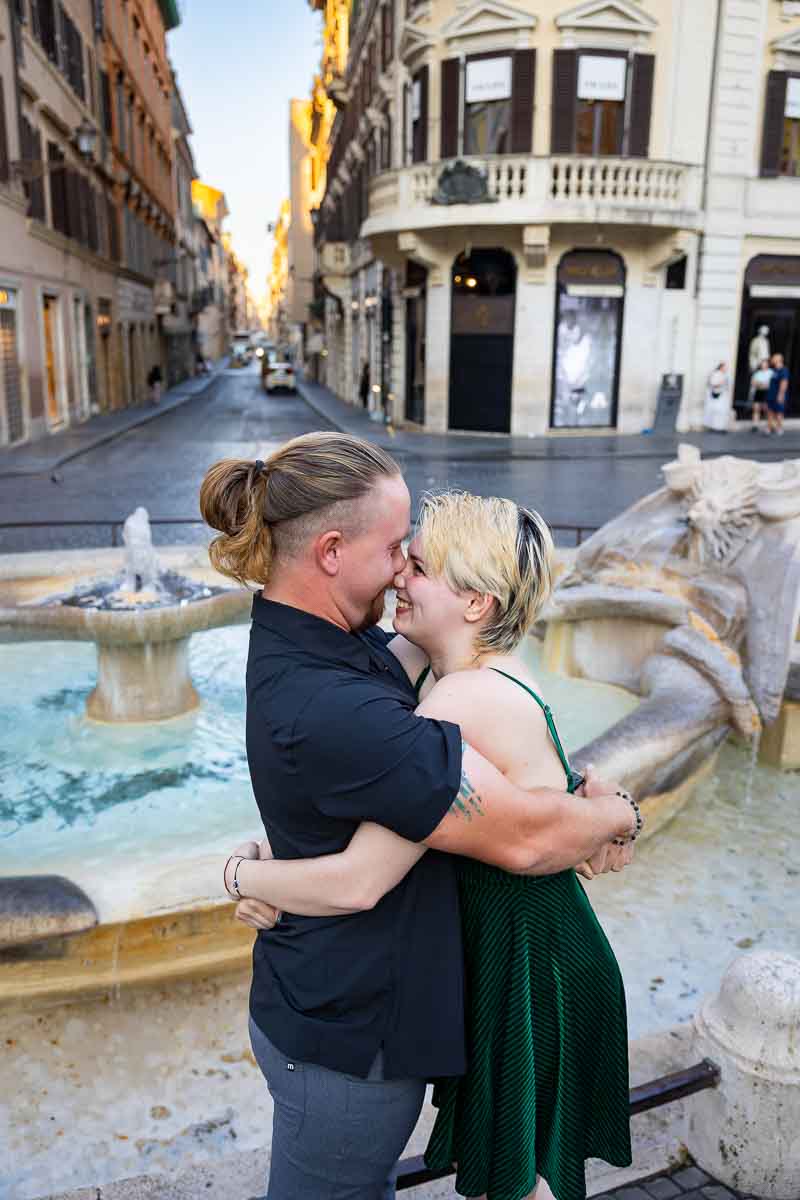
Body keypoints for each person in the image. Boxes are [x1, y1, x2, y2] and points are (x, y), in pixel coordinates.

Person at [198, 433, 638, 1200]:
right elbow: (521, 837)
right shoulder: (363, 700)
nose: (403, 565)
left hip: (400, 995)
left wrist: (257, 864)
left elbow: (511, 813)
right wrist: (613, 815)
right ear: (331, 551)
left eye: (417, 556)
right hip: (346, 1040)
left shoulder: (333, 648)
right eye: (398, 546)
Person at [766, 352, 790, 436]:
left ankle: (779, 428)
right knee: (770, 411)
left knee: (779, 412)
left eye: (774, 358)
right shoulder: (773, 371)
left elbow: (784, 383)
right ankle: (769, 428)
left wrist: (781, 395)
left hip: (778, 394)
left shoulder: (783, 370)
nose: (772, 359)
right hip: (771, 394)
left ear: (779, 359)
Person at [703, 362, 731, 432]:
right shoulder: (716, 374)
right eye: (724, 367)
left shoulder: (725, 375)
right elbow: (713, 384)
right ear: (721, 367)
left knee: (722, 412)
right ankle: (714, 427)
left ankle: (721, 427)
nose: (726, 369)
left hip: (723, 395)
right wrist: (721, 383)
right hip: (717, 395)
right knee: (716, 411)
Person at [748, 357, 772, 433]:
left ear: (767, 364)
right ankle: (755, 425)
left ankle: (768, 425)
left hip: (767, 392)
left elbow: (769, 384)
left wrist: (760, 384)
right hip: (758, 392)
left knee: (766, 409)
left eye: (765, 364)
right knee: (756, 409)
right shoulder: (757, 373)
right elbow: (753, 383)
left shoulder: (770, 372)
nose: (763, 365)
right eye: (762, 364)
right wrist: (761, 384)